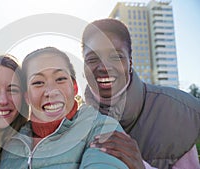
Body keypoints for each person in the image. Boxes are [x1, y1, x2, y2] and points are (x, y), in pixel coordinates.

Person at [82, 18, 200, 169]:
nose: (104, 67)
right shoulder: (76, 123)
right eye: (92, 59)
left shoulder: (176, 112)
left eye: (116, 57)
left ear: (130, 63)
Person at [0, 47, 129, 169]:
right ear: (26, 96)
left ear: (74, 87)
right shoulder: (12, 144)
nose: (51, 91)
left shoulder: (101, 128)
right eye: (38, 82)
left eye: (60, 79)